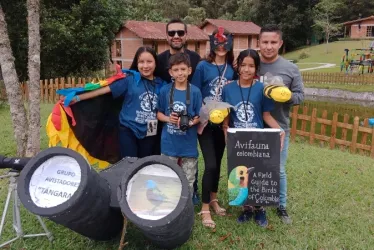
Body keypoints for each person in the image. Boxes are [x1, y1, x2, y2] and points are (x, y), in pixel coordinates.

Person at [222, 49, 285, 227]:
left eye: (251, 66)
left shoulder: (262, 89)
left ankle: (260, 209)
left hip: (258, 140)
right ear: (238, 66)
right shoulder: (228, 89)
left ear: (256, 68)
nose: (247, 70)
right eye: (243, 65)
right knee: (241, 172)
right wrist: (225, 131)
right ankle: (246, 208)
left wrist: (280, 130)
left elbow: (266, 115)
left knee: (258, 174)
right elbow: (226, 117)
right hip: (238, 140)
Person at [67, 46, 166, 158]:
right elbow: (103, 90)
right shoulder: (129, 80)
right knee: (129, 163)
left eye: (149, 62)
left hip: (150, 130)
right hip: (128, 129)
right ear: (136, 63)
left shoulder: (162, 84)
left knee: (145, 163)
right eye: (141, 62)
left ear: (155, 63)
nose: (145, 66)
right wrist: (79, 98)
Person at [258, 24, 304, 224]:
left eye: (273, 42)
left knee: (279, 169)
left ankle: (281, 206)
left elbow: (300, 97)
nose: (269, 46)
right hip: (253, 125)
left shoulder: (290, 68)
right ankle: (255, 203)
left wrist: (285, 96)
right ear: (259, 43)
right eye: (265, 42)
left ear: (280, 43)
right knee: (254, 167)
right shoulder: (251, 63)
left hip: (280, 126)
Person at [191, 27, 236, 229]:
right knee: (209, 164)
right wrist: (204, 113)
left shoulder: (232, 69)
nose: (221, 47)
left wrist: (225, 120)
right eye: (217, 43)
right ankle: (205, 208)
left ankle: (215, 199)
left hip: (223, 123)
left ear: (230, 44)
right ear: (212, 44)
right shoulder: (202, 67)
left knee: (217, 164)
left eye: (224, 42)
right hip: (206, 123)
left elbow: (231, 96)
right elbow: (195, 92)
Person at [156, 18, 202, 204]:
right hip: (169, 145)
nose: (180, 73)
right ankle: (169, 204)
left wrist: (191, 122)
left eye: (183, 69)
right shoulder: (165, 90)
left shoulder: (196, 92)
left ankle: (186, 208)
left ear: (190, 70)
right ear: (170, 72)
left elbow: (200, 115)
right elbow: (158, 113)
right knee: (167, 177)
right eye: (176, 70)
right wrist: (169, 119)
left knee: (189, 179)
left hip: (189, 146)